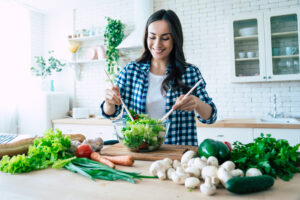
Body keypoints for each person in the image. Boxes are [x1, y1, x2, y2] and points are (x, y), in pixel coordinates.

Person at [101, 9, 217, 146]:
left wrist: (196, 103)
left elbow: (211, 117)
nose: (157, 44)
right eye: (152, 37)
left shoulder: (190, 72)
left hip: (177, 154)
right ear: (146, 38)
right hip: (139, 151)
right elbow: (112, 114)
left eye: (165, 38)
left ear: (175, 39)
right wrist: (109, 102)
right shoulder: (131, 71)